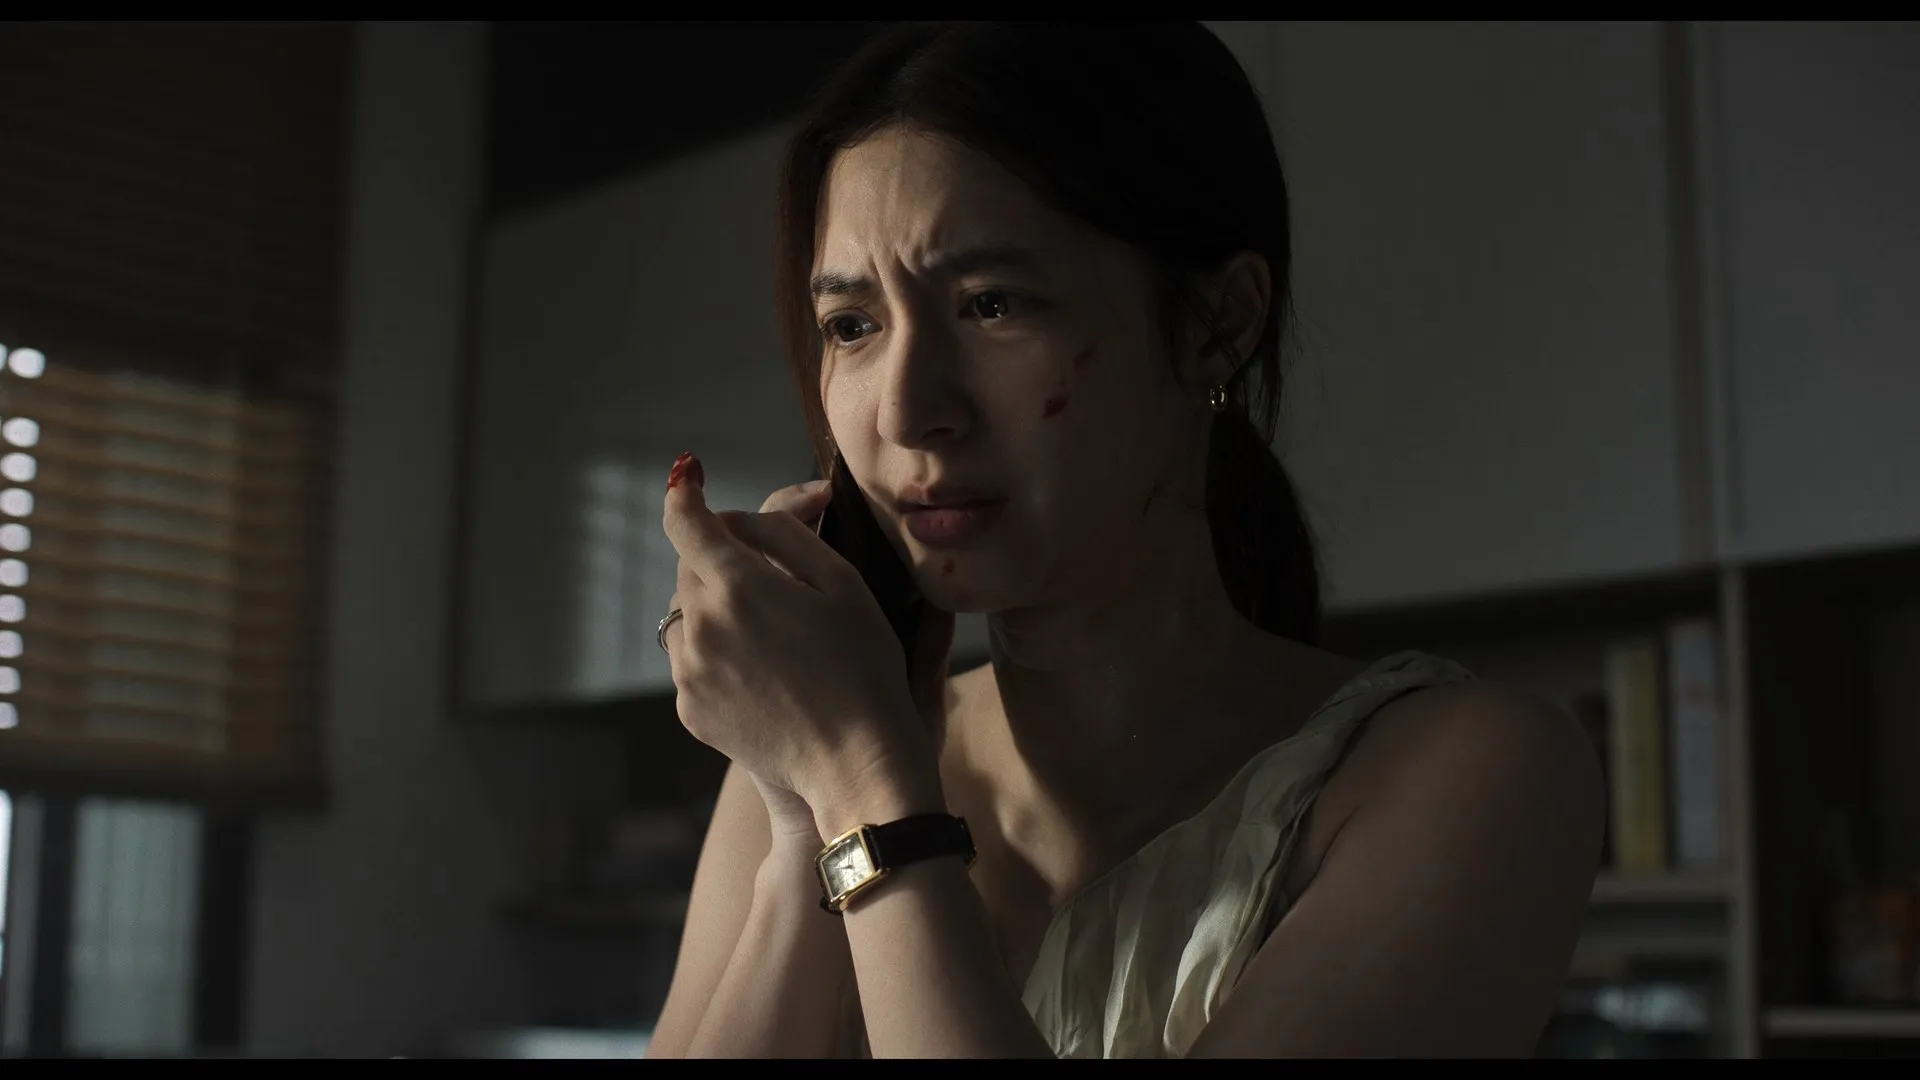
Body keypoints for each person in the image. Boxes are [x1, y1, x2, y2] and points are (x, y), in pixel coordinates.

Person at [643, 22, 1604, 1059]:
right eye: (852, 326)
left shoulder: (1467, 775)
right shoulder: (808, 758)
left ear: (1217, 327)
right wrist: (805, 825)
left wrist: (867, 788)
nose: (907, 411)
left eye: (991, 304)